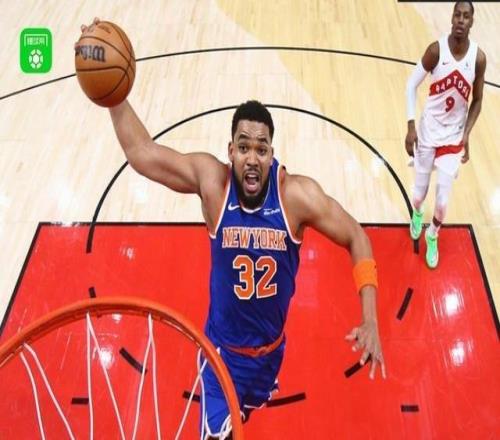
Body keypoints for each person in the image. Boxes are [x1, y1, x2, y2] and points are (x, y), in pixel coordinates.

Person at [79, 19, 385, 439]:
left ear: (272, 153)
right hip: (220, 355)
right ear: (230, 151)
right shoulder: (213, 184)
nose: (252, 158)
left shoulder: (296, 197)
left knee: (246, 416)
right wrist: (114, 97)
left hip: (270, 355)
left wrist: (370, 319)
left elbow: (357, 237)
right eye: (243, 147)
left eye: (261, 148)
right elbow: (143, 152)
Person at [405, 1, 486, 269]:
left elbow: (477, 100)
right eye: (457, 15)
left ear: (472, 21)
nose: (461, 20)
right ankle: (417, 213)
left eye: (466, 16)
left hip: (453, 138)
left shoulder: (478, 58)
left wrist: (467, 133)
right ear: (451, 18)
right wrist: (410, 126)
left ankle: (433, 234)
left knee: (442, 201)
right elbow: (410, 85)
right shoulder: (435, 51)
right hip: (428, 132)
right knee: (419, 196)